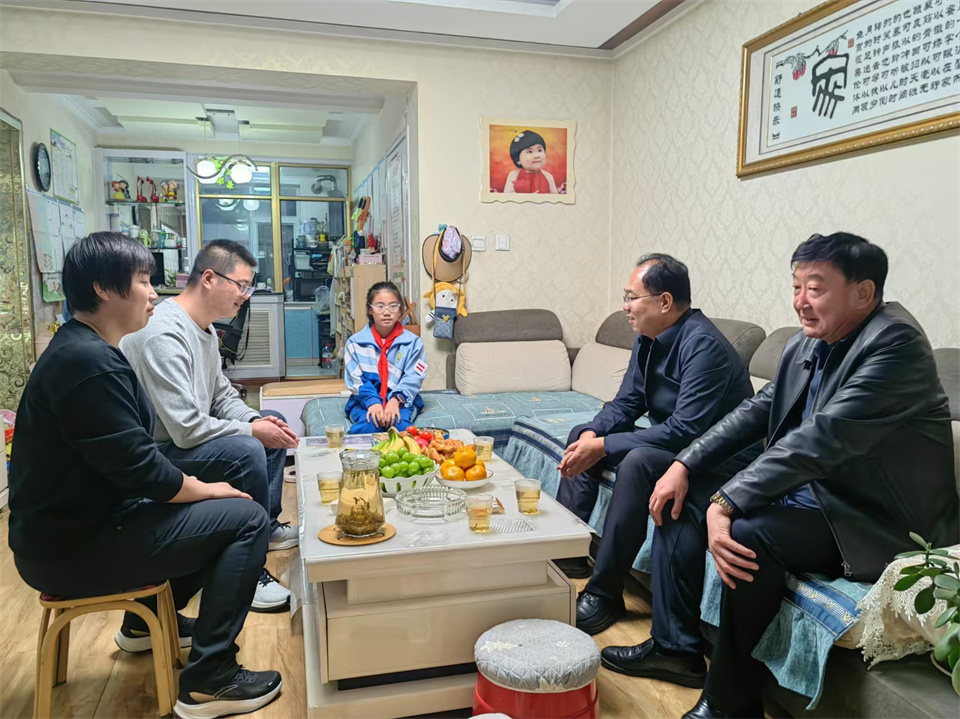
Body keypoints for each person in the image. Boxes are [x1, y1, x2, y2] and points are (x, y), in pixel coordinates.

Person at [628, 233, 955, 719]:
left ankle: (728, 703)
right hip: (816, 495)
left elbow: (820, 438)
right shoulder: (810, 340)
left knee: (749, 536)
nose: (800, 301)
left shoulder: (895, 345)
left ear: (863, 292)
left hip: (870, 518)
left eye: (815, 288)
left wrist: (727, 501)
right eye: (796, 286)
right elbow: (755, 411)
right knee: (682, 495)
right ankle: (675, 647)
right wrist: (684, 464)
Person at [8, 232, 282, 719]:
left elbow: (132, 463)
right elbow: (145, 470)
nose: (154, 292)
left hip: (78, 530)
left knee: (234, 499)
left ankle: (152, 620)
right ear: (103, 289)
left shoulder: (87, 350)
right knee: (245, 519)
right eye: (142, 281)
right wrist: (209, 490)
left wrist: (209, 488)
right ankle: (210, 679)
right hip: (70, 550)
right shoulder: (88, 363)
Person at [555, 254, 758, 647]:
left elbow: (687, 430)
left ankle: (605, 592)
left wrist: (605, 445)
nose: (625, 306)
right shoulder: (648, 337)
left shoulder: (704, 346)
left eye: (632, 297)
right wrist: (594, 434)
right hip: (674, 441)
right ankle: (570, 548)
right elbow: (627, 403)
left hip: (714, 459)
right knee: (584, 432)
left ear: (664, 302)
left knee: (639, 460)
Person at [120, 240, 297, 613]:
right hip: (159, 454)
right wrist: (252, 433)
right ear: (209, 279)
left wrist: (255, 421)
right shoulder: (163, 333)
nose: (245, 296)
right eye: (241, 285)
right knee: (247, 449)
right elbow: (185, 429)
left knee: (271, 425)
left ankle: (265, 527)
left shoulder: (203, 330)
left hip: (183, 439)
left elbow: (221, 397)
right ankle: (249, 568)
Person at [343, 281, 426, 433]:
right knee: (368, 425)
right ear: (370, 310)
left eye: (393, 306)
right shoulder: (355, 343)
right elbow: (355, 378)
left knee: (401, 427)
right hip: (364, 400)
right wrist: (373, 402)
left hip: (400, 401)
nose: (386, 312)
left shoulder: (413, 343)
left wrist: (395, 400)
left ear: (400, 311)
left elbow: (414, 377)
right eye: (380, 306)